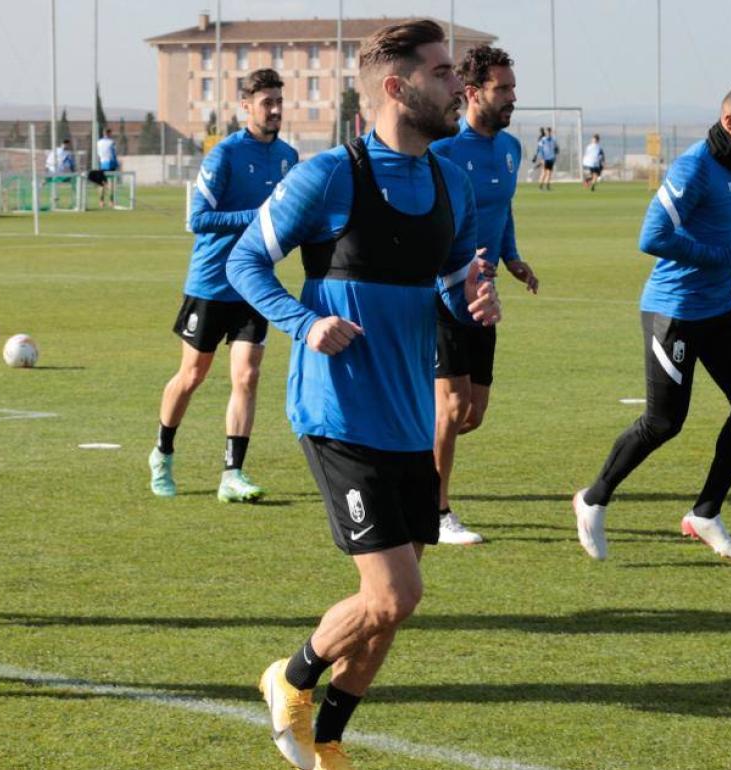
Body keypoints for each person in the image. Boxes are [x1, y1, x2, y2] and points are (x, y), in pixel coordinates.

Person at [227, 21, 500, 769]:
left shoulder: (453, 180)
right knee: (392, 596)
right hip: (338, 412)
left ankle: (329, 738)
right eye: (443, 74)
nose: (458, 88)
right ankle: (290, 674)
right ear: (395, 86)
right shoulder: (331, 175)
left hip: (410, 416)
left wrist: (476, 299)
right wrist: (302, 321)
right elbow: (243, 261)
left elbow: (452, 277)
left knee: (391, 609)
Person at [573, 81, 731, 563]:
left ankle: (705, 513)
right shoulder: (694, 167)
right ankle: (593, 498)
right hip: (675, 311)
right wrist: (725, 255)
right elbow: (652, 236)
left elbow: (726, 234)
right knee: (664, 422)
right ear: (730, 122)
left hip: (722, 308)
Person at [148, 68, 298, 503]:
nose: (274, 110)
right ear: (245, 107)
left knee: (248, 376)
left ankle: (232, 473)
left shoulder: (289, 157)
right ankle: (163, 452)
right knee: (193, 374)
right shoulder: (224, 155)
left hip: (255, 283)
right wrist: (255, 215)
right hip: (212, 282)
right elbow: (198, 219)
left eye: (278, 102)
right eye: (266, 103)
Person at [429, 45, 539, 546]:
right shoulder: (443, 151)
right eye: (504, 88)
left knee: (471, 414)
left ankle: (409, 454)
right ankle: (436, 510)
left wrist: (512, 257)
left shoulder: (512, 149)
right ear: (473, 93)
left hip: (486, 296)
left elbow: (503, 209)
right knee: (451, 409)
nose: (513, 96)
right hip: (443, 294)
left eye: (513, 87)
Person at [96, 127, 119, 207]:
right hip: (110, 163)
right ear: (109, 133)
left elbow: (98, 153)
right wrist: (116, 164)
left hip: (102, 163)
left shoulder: (98, 142)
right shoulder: (112, 142)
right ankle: (111, 201)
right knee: (111, 182)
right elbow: (114, 154)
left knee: (102, 183)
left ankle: (101, 201)